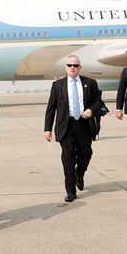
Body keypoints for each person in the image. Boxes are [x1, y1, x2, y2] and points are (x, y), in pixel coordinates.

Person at [44, 55, 106, 202]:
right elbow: (51, 108)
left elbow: (99, 102)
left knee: (86, 154)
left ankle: (80, 174)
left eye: (75, 65)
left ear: (80, 68)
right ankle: (71, 192)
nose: (72, 68)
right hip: (65, 126)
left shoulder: (90, 83)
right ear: (66, 67)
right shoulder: (58, 85)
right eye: (70, 65)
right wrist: (47, 129)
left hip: (84, 124)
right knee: (68, 158)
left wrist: (91, 110)